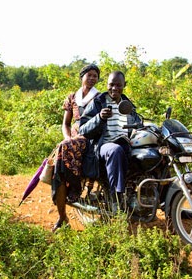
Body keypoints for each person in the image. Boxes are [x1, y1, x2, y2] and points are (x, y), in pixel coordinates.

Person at [79, 71, 142, 212]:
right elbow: (83, 129)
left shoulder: (128, 105)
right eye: (111, 85)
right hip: (104, 146)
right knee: (115, 150)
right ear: (107, 85)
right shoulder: (98, 102)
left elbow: (139, 124)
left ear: (124, 85)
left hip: (127, 145)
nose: (114, 88)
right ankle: (116, 199)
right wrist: (99, 118)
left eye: (118, 85)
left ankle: (164, 203)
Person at [51, 64, 100, 232]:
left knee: (62, 152)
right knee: (59, 171)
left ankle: (76, 188)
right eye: (89, 75)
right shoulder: (73, 97)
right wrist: (68, 138)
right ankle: (62, 216)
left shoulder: (99, 97)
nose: (92, 78)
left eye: (95, 76)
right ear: (82, 77)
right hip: (72, 139)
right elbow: (66, 123)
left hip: (89, 137)